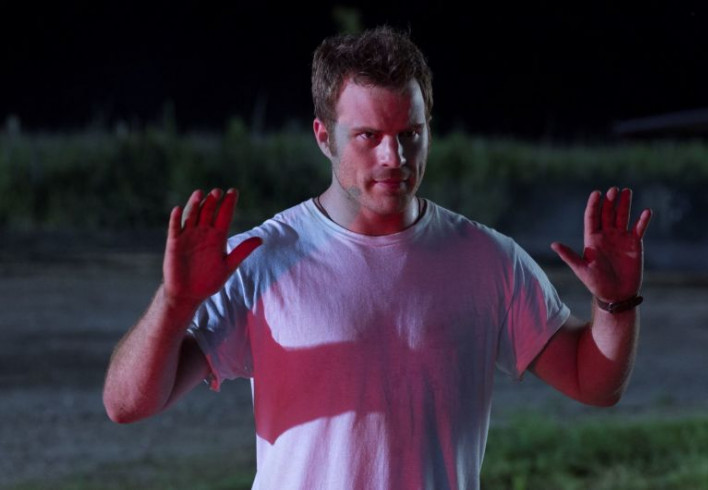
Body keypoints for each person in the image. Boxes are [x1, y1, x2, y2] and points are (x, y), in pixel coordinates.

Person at [103, 26, 652, 489]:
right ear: (324, 136)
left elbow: (593, 383)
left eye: (410, 133)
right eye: (368, 135)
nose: (395, 156)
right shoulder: (261, 259)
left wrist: (616, 304)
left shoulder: (489, 261)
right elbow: (126, 405)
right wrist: (175, 303)